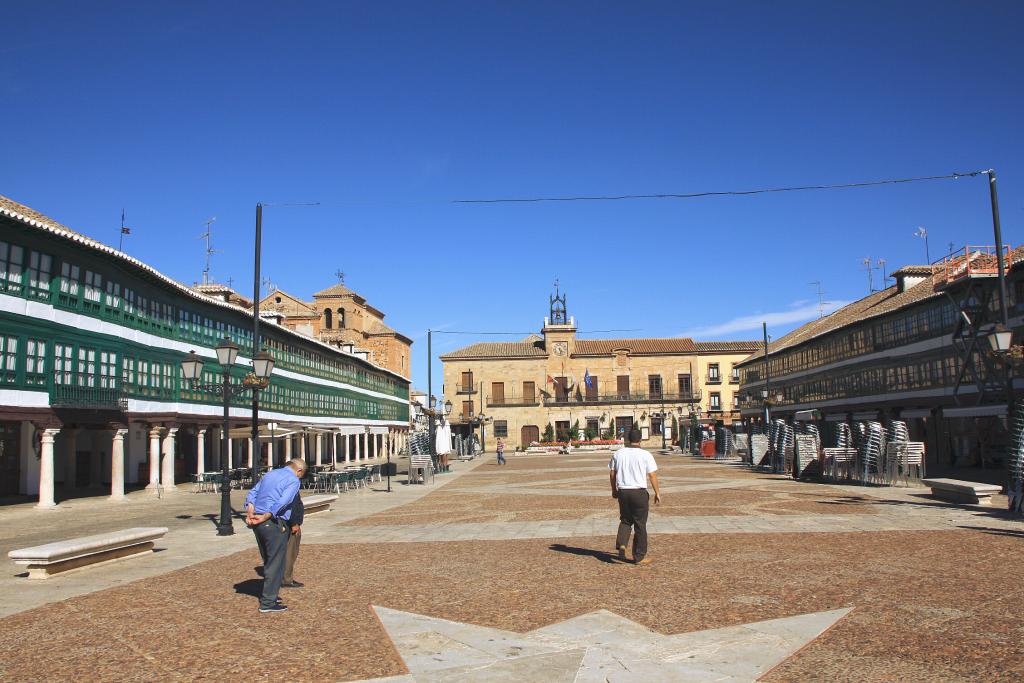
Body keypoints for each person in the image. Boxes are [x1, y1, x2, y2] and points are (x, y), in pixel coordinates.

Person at [245, 458, 306, 613]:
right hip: (272, 522)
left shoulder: (270, 474)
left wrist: (251, 510)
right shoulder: (293, 480)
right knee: (275, 562)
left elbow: (253, 492)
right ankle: (268, 603)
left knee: (268, 559)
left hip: (257, 522)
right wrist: (267, 515)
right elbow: (284, 501)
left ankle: (270, 594)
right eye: (301, 475)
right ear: (299, 471)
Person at [608, 426, 661, 565]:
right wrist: (657, 492)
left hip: (623, 492)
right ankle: (639, 556)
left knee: (625, 520)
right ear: (640, 440)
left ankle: (622, 544)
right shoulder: (646, 455)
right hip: (639, 492)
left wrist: (614, 489)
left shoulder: (618, 454)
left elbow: (612, 473)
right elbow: (652, 475)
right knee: (640, 524)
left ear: (627, 439)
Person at [281, 491, 304, 588]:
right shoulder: (291, 482)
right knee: (290, 551)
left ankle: (282, 577)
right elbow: (292, 505)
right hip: (289, 523)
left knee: (287, 551)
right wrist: (294, 523)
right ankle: (286, 579)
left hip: (284, 522)